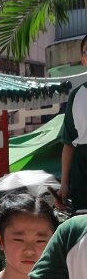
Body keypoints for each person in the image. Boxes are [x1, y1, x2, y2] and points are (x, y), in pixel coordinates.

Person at [60, 35, 87, 214]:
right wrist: (64, 184)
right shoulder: (76, 96)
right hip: (82, 173)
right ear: (83, 59)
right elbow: (69, 144)